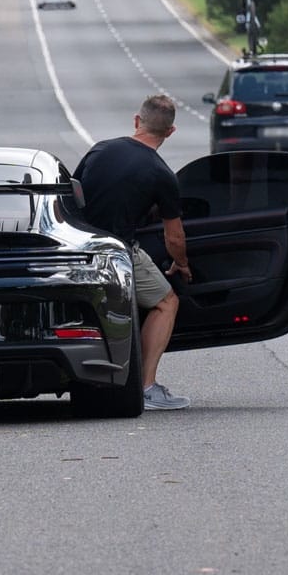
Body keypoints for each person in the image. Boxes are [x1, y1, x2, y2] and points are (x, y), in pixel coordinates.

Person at [72, 94, 193, 410]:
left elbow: (72, 191)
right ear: (170, 132)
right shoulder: (161, 174)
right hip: (118, 251)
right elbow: (175, 238)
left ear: (136, 121)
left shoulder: (100, 149)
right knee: (167, 302)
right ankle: (146, 387)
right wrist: (181, 265)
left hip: (77, 244)